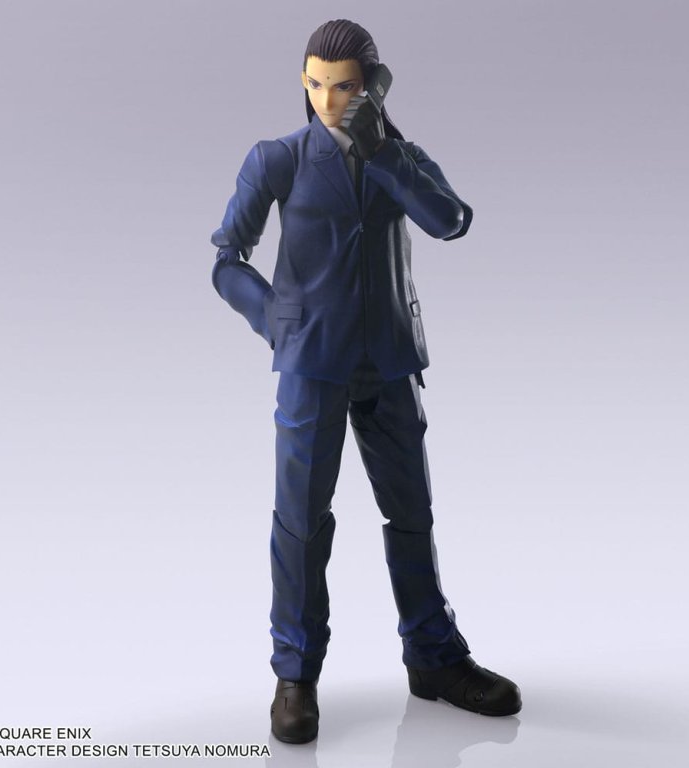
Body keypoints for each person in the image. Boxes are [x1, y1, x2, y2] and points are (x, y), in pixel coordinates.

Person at [211, 19, 521, 744]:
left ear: (374, 86)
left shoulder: (398, 155)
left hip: (388, 360)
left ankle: (434, 657)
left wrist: (383, 153)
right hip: (311, 365)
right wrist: (276, 320)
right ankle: (295, 672)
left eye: (345, 86)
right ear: (303, 81)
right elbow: (227, 258)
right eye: (316, 84)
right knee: (300, 522)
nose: (328, 100)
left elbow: (451, 221)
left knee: (412, 513)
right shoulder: (278, 158)